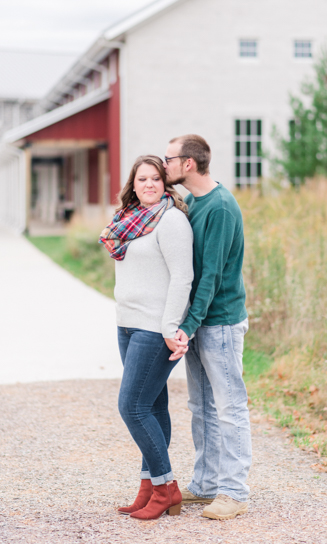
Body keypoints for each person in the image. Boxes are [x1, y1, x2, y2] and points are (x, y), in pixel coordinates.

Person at [99, 155, 193, 520]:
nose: (149, 184)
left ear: (164, 184)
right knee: (152, 406)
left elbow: (182, 277)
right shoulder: (128, 220)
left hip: (156, 328)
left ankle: (166, 488)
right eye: (142, 179)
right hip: (127, 323)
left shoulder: (171, 221)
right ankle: (148, 486)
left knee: (132, 406)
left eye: (156, 178)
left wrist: (171, 327)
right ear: (133, 184)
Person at [163, 134, 251, 521]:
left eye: (169, 159)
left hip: (221, 324)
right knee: (201, 407)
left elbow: (211, 276)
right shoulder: (193, 202)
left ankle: (234, 492)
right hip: (198, 323)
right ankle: (206, 483)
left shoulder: (220, 207)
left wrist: (189, 325)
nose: (164, 165)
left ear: (188, 164)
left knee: (230, 407)